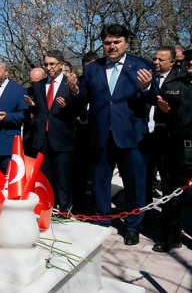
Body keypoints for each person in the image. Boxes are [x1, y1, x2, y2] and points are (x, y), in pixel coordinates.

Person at [72, 24, 159, 246]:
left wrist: (146, 87)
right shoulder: (93, 69)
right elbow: (83, 99)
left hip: (131, 136)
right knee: (101, 183)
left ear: (126, 43)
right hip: (100, 136)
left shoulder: (142, 66)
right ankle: (102, 222)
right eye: (107, 42)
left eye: (116, 42)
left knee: (134, 183)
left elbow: (152, 99)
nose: (112, 46)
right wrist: (74, 91)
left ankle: (132, 226)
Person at [25, 50, 79, 211]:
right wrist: (33, 106)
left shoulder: (69, 84)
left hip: (63, 139)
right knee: (45, 180)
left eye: (52, 64)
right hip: (42, 139)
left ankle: (64, 212)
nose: (48, 68)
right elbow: (42, 110)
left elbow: (80, 108)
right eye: (46, 64)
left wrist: (68, 104)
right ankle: (46, 211)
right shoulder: (40, 86)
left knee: (63, 180)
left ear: (61, 65)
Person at [152, 48, 192, 252]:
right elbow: (159, 119)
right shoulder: (171, 86)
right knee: (172, 195)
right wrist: (166, 112)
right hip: (176, 149)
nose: (191, 64)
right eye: (190, 60)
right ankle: (172, 238)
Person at [144, 46, 181, 203]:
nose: (156, 62)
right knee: (145, 176)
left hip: (167, 137)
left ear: (172, 62)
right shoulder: (148, 77)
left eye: (161, 59)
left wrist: (168, 112)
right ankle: (143, 212)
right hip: (146, 135)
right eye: (154, 59)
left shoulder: (179, 80)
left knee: (168, 180)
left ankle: (168, 219)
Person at [72, 52, 99, 213]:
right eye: (86, 66)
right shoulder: (77, 84)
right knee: (80, 174)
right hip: (80, 134)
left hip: (98, 134)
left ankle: (97, 208)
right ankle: (79, 208)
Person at [23, 67, 46, 158]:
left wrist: (33, 106)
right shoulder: (26, 92)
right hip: (29, 135)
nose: (34, 86)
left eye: (37, 82)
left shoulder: (48, 92)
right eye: (32, 83)